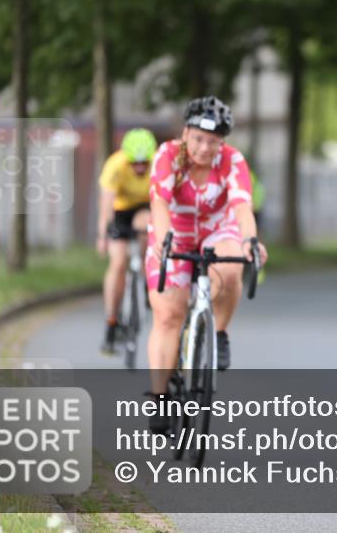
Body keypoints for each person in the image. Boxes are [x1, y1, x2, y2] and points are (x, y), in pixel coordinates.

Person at [145, 96, 268, 433]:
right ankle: (160, 397)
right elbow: (159, 203)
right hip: (174, 232)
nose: (204, 148)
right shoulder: (168, 156)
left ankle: (220, 332)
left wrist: (250, 240)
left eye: (213, 142)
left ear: (222, 143)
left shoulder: (232, 161)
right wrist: (163, 242)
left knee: (230, 266)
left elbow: (242, 207)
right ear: (185, 133)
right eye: (198, 138)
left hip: (217, 230)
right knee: (168, 315)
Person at [97, 128, 158, 354]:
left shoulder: (158, 163)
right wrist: (103, 236)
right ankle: (112, 320)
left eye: (144, 163)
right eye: (135, 163)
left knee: (145, 227)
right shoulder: (115, 165)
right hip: (120, 210)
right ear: (127, 159)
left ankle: (146, 275)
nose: (140, 167)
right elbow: (106, 207)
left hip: (145, 207)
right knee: (118, 263)